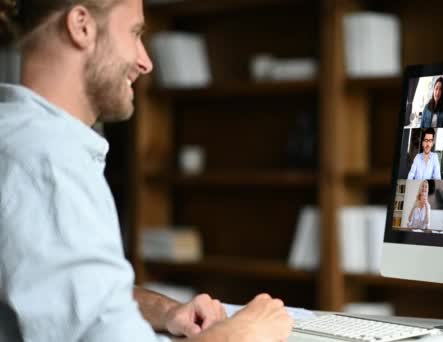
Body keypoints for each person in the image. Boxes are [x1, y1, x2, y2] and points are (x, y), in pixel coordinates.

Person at [0, 1, 292, 341]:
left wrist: (166, 311)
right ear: (81, 26)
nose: (145, 62)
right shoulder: (48, 162)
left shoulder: (20, 137)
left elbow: (71, 292)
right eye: (135, 33)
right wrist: (244, 333)